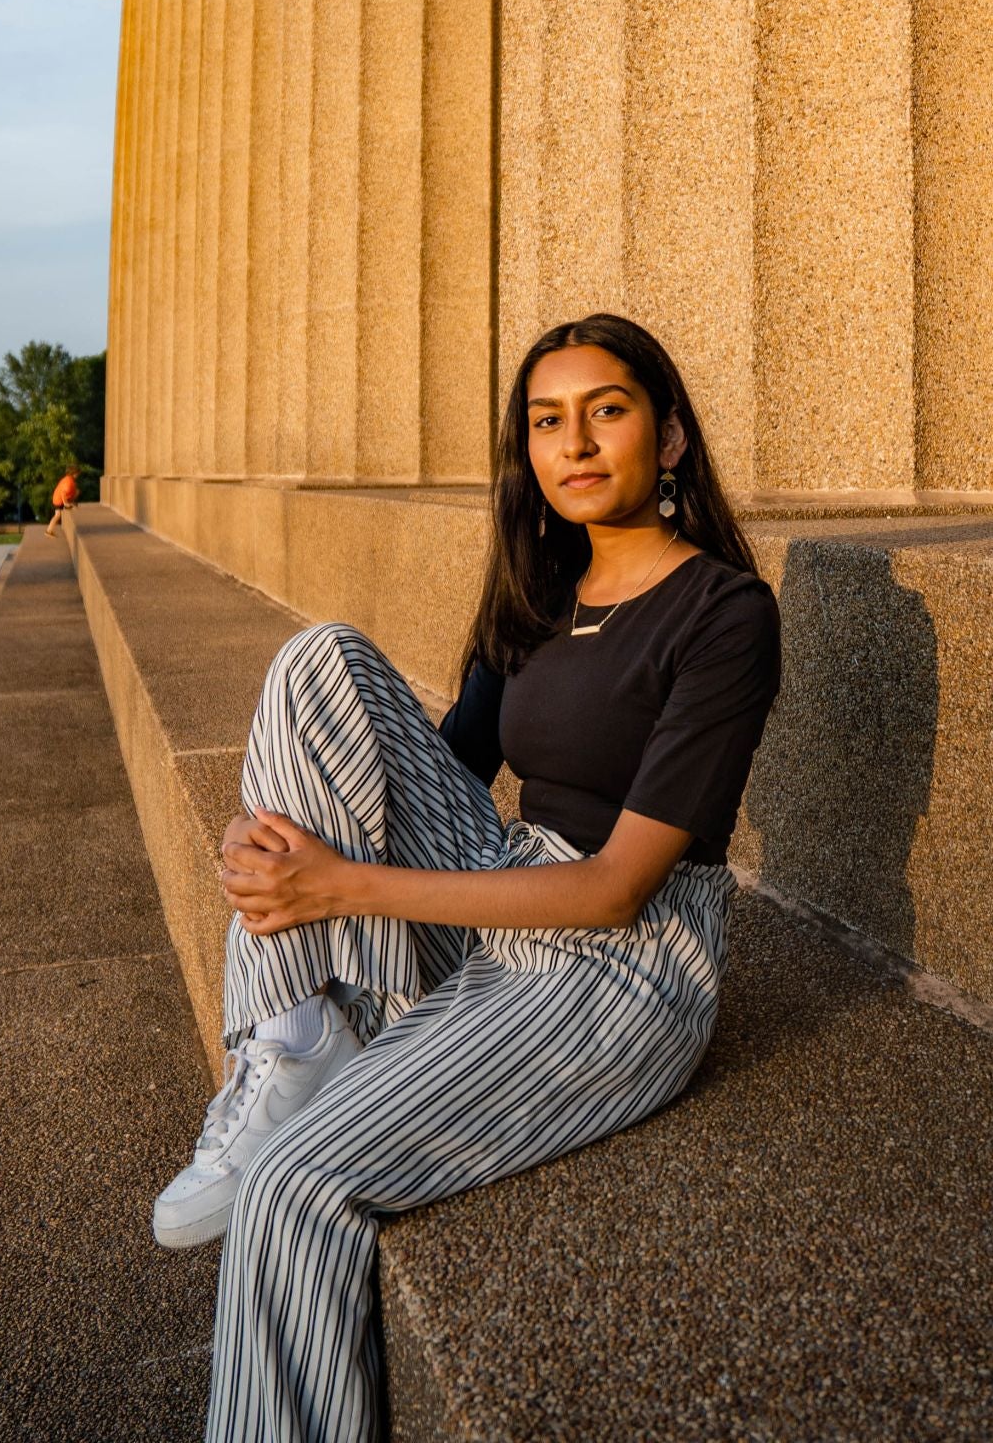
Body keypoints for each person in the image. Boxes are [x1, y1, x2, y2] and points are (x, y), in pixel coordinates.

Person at [154, 312, 783, 1443]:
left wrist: (339, 889)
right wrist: (273, 850)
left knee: (296, 1186)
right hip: (501, 894)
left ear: (672, 436)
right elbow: (435, 774)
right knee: (319, 658)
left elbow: (612, 891)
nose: (576, 443)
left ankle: (303, 1077)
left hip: (619, 973)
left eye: (608, 410)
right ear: (528, 451)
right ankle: (293, 1039)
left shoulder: (722, 613)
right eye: (548, 421)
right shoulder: (536, 598)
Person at [45, 464, 80, 537]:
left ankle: (49, 531)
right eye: (77, 473)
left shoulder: (68, 479)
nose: (78, 475)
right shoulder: (68, 482)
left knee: (57, 515)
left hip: (57, 499)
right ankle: (48, 531)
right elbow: (63, 493)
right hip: (58, 501)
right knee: (57, 515)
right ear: (74, 473)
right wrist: (66, 503)